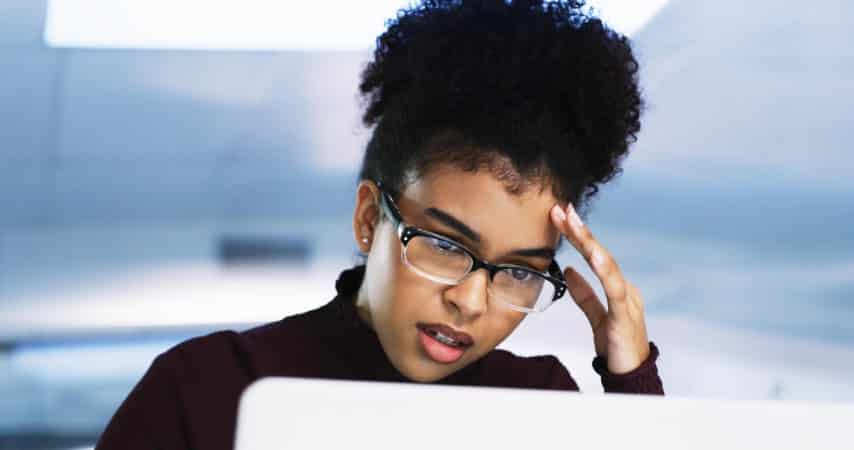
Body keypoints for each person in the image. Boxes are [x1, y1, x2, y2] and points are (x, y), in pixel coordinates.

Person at [96, 1, 663, 448]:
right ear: (370, 219)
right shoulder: (208, 391)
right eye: (445, 243)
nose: (471, 301)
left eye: (517, 272)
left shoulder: (540, 406)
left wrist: (633, 384)